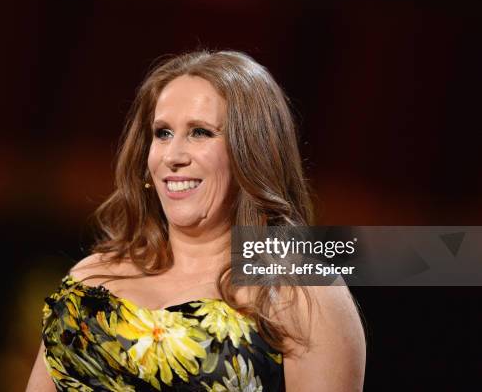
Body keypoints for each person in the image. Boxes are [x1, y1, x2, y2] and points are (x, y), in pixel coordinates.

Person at [26, 50, 365, 391]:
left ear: (252, 152)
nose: (173, 156)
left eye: (200, 132)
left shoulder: (305, 297)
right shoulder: (89, 279)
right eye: (163, 133)